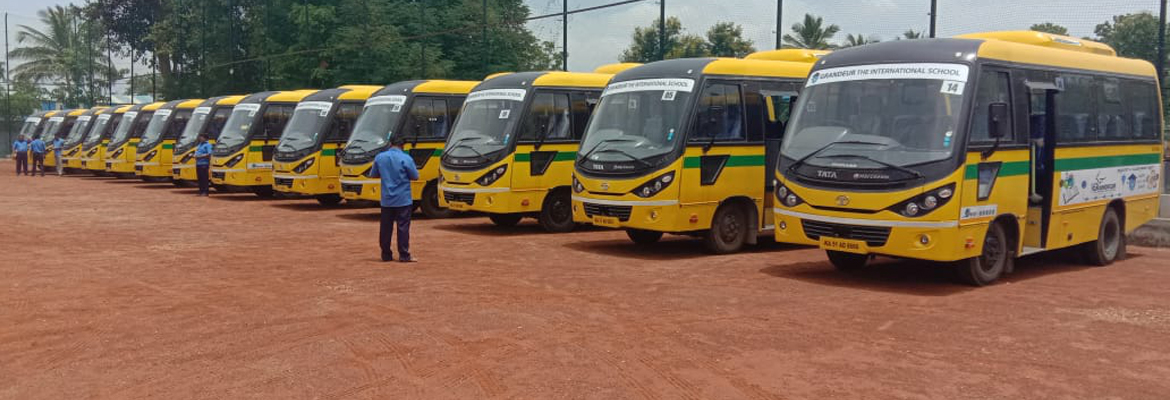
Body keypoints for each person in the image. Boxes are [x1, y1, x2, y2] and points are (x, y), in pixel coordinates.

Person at [370, 135, 419, 262]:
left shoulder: (380, 157)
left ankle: (386, 254)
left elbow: (373, 174)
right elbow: (415, 176)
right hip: (403, 198)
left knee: (386, 227)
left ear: (390, 143)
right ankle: (404, 255)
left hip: (386, 199)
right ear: (403, 145)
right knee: (403, 227)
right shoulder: (406, 158)